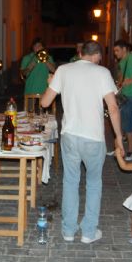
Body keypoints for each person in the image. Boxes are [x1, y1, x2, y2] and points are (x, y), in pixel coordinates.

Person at [40, 41, 124, 244]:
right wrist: (118, 137)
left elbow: (44, 102)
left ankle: (68, 231)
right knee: (94, 183)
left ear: (81, 53)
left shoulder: (63, 70)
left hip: (70, 135)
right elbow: (113, 108)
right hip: (93, 137)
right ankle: (88, 232)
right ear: (96, 55)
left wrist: (50, 82)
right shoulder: (102, 72)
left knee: (70, 182)